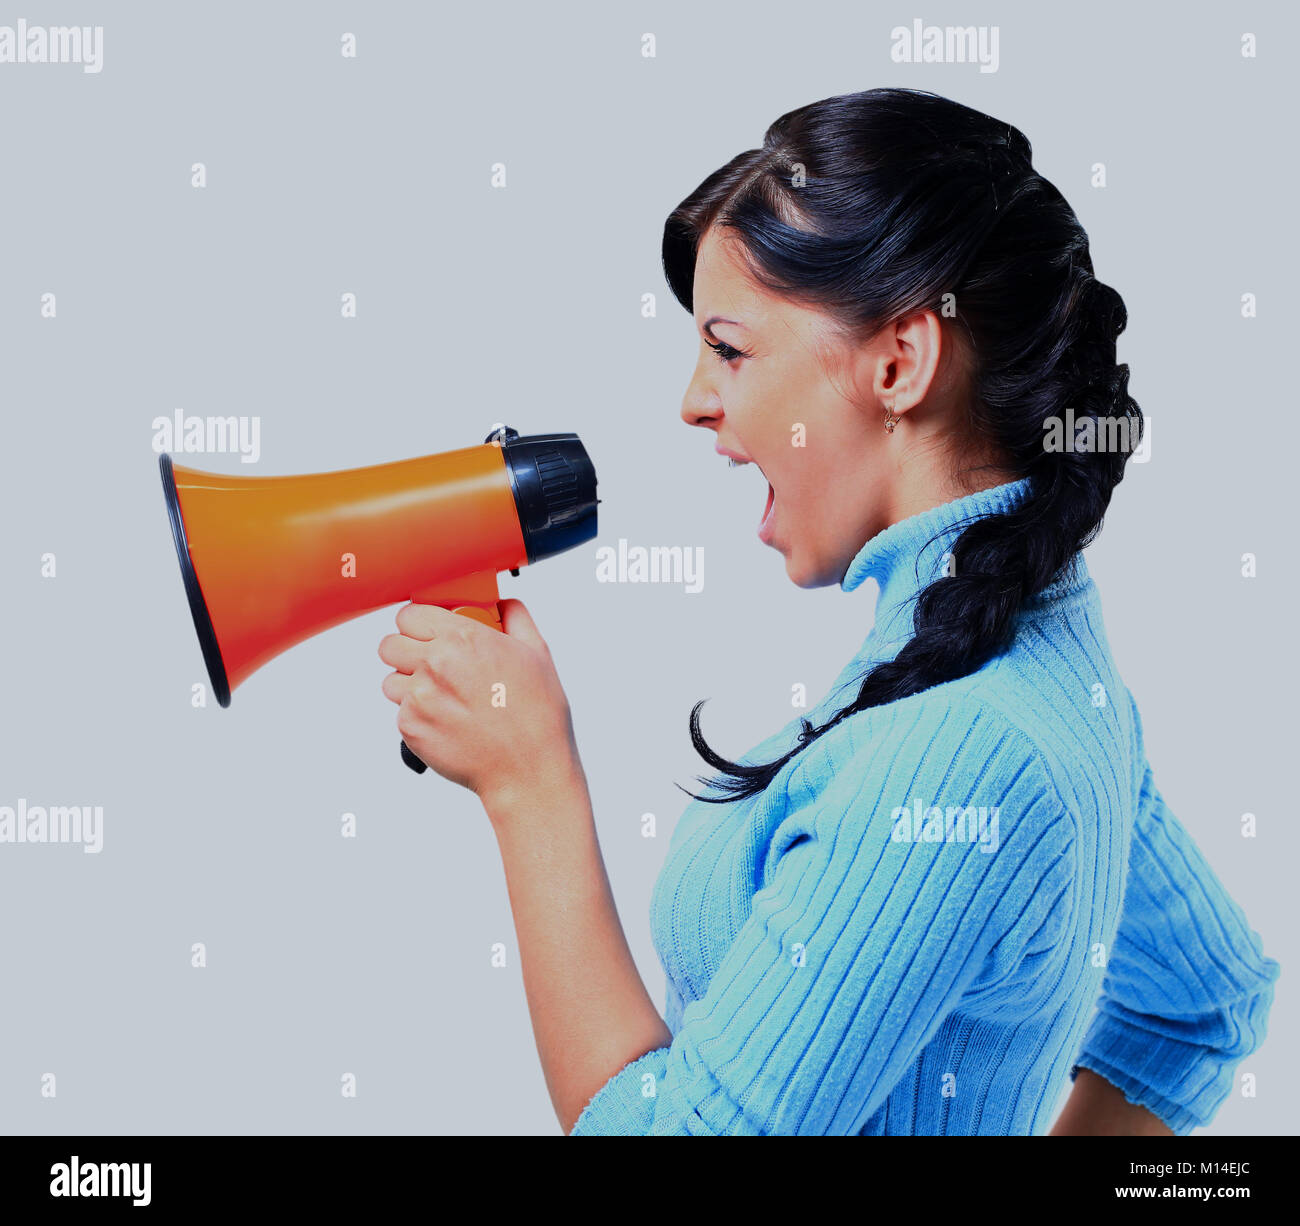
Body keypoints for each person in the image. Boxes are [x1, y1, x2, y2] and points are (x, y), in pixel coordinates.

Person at [378, 87, 1279, 1135]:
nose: (694, 400)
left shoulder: (953, 754)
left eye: (730, 348)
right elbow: (1197, 1002)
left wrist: (529, 785)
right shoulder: (1035, 659)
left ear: (899, 361)